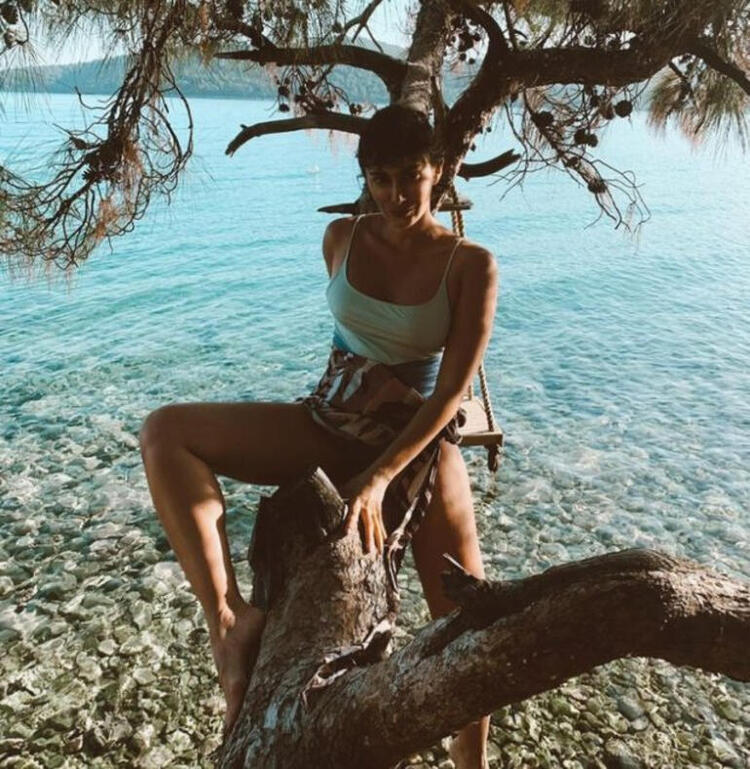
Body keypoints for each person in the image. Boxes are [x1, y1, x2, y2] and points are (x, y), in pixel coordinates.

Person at [138, 104, 498, 769]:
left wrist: (380, 478)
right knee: (165, 433)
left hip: (417, 444)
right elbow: (350, 343)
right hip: (328, 420)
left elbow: (450, 393)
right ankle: (229, 621)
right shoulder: (340, 238)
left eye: (410, 175)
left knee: (466, 624)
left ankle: (470, 758)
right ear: (366, 178)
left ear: (437, 170)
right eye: (381, 177)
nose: (396, 194)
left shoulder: (469, 263)